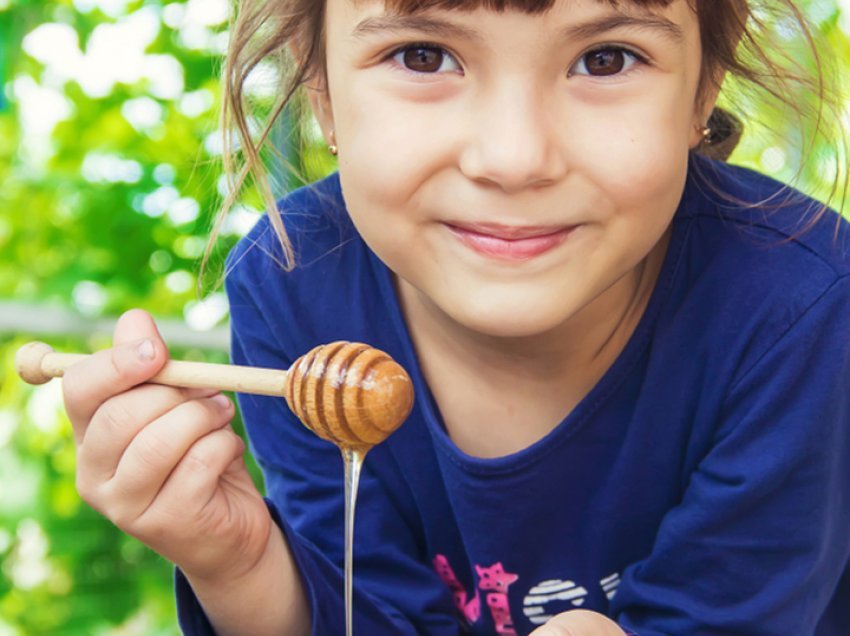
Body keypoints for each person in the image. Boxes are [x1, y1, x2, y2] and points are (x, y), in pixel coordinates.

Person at [60, 0, 850, 634]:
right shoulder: (294, 286)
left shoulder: (799, 307)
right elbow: (367, 613)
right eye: (423, 55)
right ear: (322, 92)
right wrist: (238, 565)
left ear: (703, 88)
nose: (513, 157)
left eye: (606, 58)